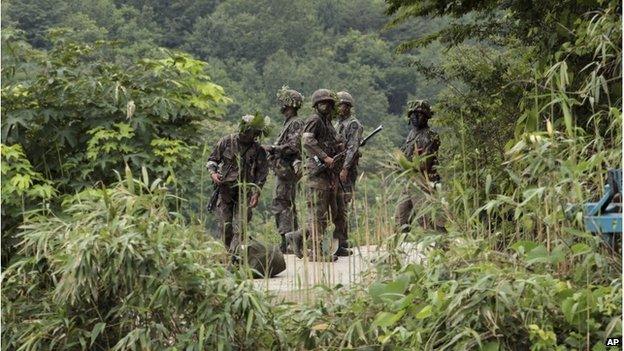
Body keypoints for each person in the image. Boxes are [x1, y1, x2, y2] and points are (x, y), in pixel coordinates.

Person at [286, 89, 344, 262]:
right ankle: (316, 251)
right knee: (317, 213)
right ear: (316, 105)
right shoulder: (315, 119)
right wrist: (324, 157)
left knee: (326, 213)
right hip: (315, 173)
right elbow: (307, 140)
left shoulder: (327, 123)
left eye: (329, 103)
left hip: (327, 175)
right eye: (322, 103)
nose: (326, 106)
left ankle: (297, 236)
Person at [206, 114, 270, 252]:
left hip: (245, 191)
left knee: (241, 226)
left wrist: (256, 192)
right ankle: (227, 252)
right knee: (225, 225)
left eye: (250, 132)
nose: (246, 134)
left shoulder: (258, 149)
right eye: (245, 131)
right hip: (225, 190)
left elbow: (262, 173)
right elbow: (212, 160)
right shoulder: (226, 141)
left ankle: (234, 255)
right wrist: (213, 173)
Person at [264, 86, 305, 253]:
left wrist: (274, 148)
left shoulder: (296, 122)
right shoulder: (289, 122)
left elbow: (293, 146)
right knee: (284, 204)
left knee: (282, 204)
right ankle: (289, 240)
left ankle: (288, 241)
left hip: (287, 171)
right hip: (283, 170)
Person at [394, 99, 443, 233]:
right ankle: (396, 251)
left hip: (424, 182)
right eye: (413, 114)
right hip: (410, 181)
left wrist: (404, 164)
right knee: (400, 218)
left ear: (426, 116)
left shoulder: (431, 136)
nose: (415, 117)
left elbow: (424, 164)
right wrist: (397, 162)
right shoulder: (412, 134)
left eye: (419, 114)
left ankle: (445, 247)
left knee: (426, 219)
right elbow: (406, 154)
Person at [333, 91, 363, 256]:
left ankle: (342, 241)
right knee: (336, 204)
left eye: (341, 105)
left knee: (343, 203)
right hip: (336, 168)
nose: (339, 108)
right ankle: (338, 241)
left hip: (346, 169)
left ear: (348, 106)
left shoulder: (353, 124)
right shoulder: (338, 124)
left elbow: (352, 148)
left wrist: (345, 168)